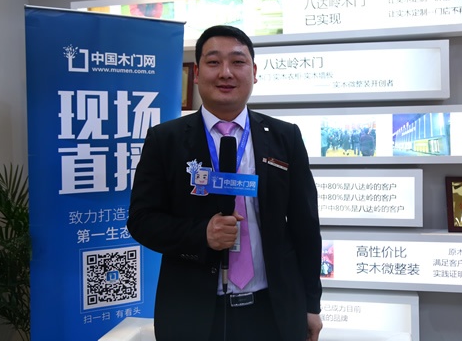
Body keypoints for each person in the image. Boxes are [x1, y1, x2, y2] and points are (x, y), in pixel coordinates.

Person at [127, 25, 323, 341]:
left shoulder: (285, 137)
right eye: (214, 62)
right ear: (196, 73)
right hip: (191, 311)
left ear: (254, 72)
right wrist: (201, 233)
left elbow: (306, 226)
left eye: (238, 62)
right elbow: (141, 220)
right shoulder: (165, 140)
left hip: (272, 310)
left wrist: (311, 304)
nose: (226, 73)